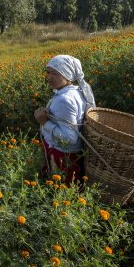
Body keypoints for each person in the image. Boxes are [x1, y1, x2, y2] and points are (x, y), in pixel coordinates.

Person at [33, 55, 96, 184]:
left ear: (67, 75)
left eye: (55, 73)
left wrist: (44, 122)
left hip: (63, 157)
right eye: (48, 72)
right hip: (72, 156)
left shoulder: (64, 99)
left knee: (63, 192)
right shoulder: (77, 92)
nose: (49, 77)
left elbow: (69, 138)